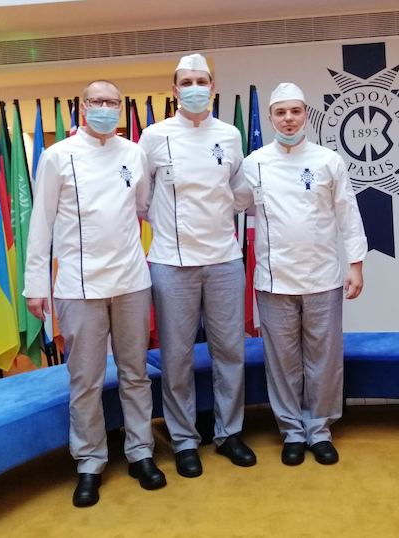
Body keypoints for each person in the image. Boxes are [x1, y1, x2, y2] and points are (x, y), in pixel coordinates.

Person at [25, 80, 165, 507]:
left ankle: (141, 451)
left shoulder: (134, 153)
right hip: (78, 285)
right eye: (97, 101)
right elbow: (41, 222)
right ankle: (89, 461)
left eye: (112, 102)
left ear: (120, 109)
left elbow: (142, 207)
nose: (105, 107)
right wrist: (35, 284)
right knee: (85, 379)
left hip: (131, 281)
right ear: (83, 107)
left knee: (135, 373)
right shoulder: (58, 156)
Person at [138, 53, 255, 478]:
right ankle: (185, 440)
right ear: (174, 90)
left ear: (212, 87)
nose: (193, 88)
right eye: (185, 82)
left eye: (200, 81)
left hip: (224, 259)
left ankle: (229, 433)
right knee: (176, 356)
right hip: (172, 261)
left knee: (230, 351)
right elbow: (141, 198)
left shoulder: (230, 134)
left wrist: (220, 216)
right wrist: (168, 226)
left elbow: (241, 190)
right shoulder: (153, 136)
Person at [239, 82, 368, 466]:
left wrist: (356, 265)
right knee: (282, 361)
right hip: (274, 279)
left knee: (323, 358)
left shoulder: (328, 161)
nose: (288, 119)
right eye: (281, 112)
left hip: (322, 276)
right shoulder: (254, 163)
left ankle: (319, 429)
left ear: (306, 114)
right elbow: (231, 203)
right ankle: (292, 431)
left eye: (295, 111)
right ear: (270, 118)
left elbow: (348, 213)